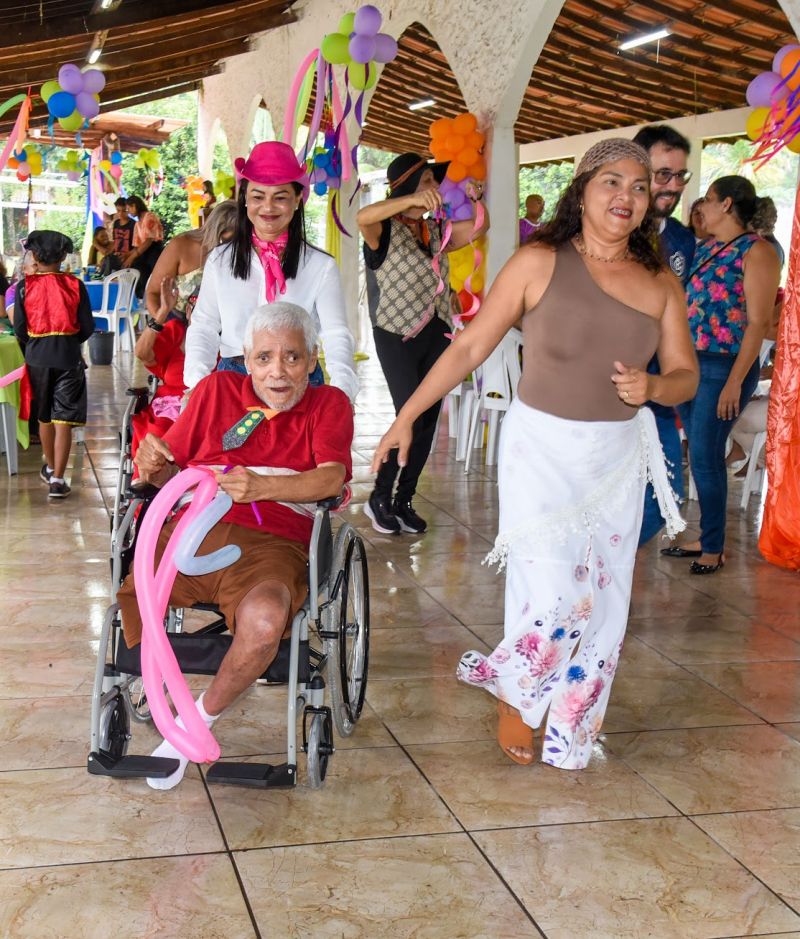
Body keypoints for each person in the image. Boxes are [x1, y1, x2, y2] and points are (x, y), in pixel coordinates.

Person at [371, 138, 698, 769]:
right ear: (583, 189)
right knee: (551, 591)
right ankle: (519, 696)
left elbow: (685, 375)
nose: (627, 196)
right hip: (541, 448)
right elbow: (469, 348)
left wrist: (655, 388)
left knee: (604, 602)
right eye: (612, 182)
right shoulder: (539, 260)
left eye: (639, 186)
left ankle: (572, 724)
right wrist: (406, 417)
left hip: (615, 458)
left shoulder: (660, 282)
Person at [117, 302, 354, 789]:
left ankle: (193, 723)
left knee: (266, 622)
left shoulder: (328, 404)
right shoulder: (215, 391)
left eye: (292, 357)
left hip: (274, 541)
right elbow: (166, 470)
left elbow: (331, 478)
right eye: (264, 357)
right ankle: (156, 683)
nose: (277, 371)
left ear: (312, 360)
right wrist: (152, 462)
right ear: (246, 360)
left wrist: (265, 487)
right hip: (192, 527)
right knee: (139, 588)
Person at [357, 151, 489, 535]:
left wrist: (477, 199)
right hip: (395, 334)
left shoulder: (435, 230)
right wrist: (411, 200)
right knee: (409, 415)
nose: (436, 187)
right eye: (429, 181)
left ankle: (404, 500)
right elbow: (362, 216)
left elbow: (478, 228)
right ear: (410, 186)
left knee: (428, 420)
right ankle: (379, 497)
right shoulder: (382, 229)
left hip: (436, 332)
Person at [662, 176, 781, 573]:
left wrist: (735, 381)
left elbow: (758, 323)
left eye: (709, 200)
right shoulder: (707, 248)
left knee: (705, 455)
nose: (702, 207)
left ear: (727, 204)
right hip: (688, 362)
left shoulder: (757, 251)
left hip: (724, 365)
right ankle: (706, 537)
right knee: (699, 455)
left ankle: (713, 547)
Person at [184, 141, 358, 406]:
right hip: (234, 378)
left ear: (297, 200)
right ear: (244, 199)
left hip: (298, 380)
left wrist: (343, 393)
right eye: (258, 196)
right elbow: (204, 325)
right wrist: (197, 384)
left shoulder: (320, 265)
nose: (268, 207)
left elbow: (336, 333)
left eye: (280, 197)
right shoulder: (220, 260)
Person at [632, 125, 696, 547]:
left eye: (680, 176)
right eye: (663, 175)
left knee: (666, 495)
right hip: (602, 391)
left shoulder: (681, 240)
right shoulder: (609, 232)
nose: (673, 186)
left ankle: (604, 561)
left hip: (655, 391)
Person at [13, 230, 94, 498]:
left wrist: (36, 345)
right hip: (68, 357)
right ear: (62, 257)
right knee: (64, 420)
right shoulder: (75, 285)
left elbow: (20, 329)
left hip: (37, 359)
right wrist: (69, 341)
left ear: (35, 257)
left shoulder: (24, 287)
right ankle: (58, 479)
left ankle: (49, 468)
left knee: (44, 417)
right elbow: (87, 326)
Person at [144, 200, 238, 324]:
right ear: (215, 230)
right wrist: (166, 328)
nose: (227, 246)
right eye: (226, 240)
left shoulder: (241, 253)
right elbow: (153, 293)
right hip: (176, 323)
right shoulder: (181, 245)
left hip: (219, 327)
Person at [124, 195, 164, 297]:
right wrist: (127, 255)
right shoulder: (137, 224)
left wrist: (132, 257)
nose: (128, 212)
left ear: (134, 206)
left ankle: (152, 296)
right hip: (144, 253)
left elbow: (149, 241)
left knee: (152, 276)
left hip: (154, 251)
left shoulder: (149, 217)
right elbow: (137, 246)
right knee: (135, 268)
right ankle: (141, 296)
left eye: (129, 209)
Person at [111, 197, 135, 261]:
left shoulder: (134, 224)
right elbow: (115, 242)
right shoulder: (116, 223)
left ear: (128, 210)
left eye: (124, 211)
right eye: (118, 210)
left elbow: (137, 246)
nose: (120, 213)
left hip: (129, 258)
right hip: (116, 257)